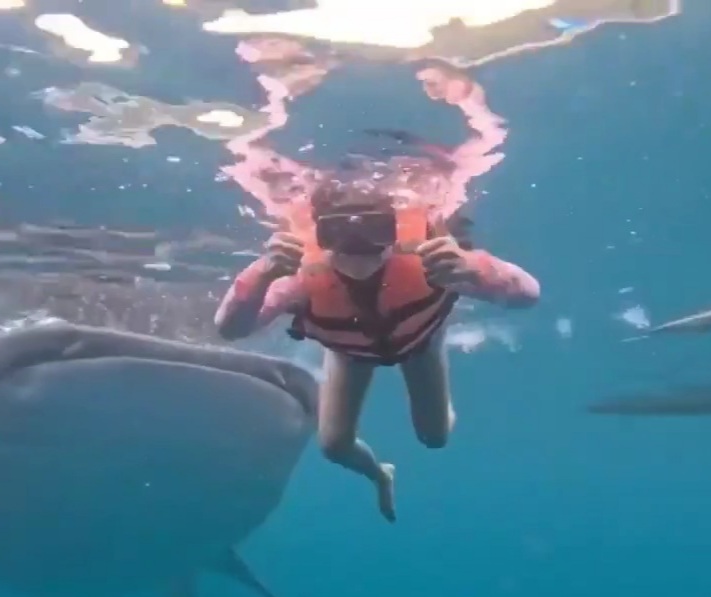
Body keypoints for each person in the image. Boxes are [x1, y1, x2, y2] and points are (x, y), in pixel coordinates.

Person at [214, 179, 539, 522]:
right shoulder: (300, 278)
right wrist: (262, 273)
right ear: (319, 233)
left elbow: (528, 294)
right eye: (338, 232)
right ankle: (380, 474)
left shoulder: (432, 260)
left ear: (395, 227)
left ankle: (435, 361)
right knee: (334, 446)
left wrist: (474, 269)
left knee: (434, 436)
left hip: (422, 341)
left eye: (375, 229)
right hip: (349, 351)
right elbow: (231, 328)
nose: (358, 251)